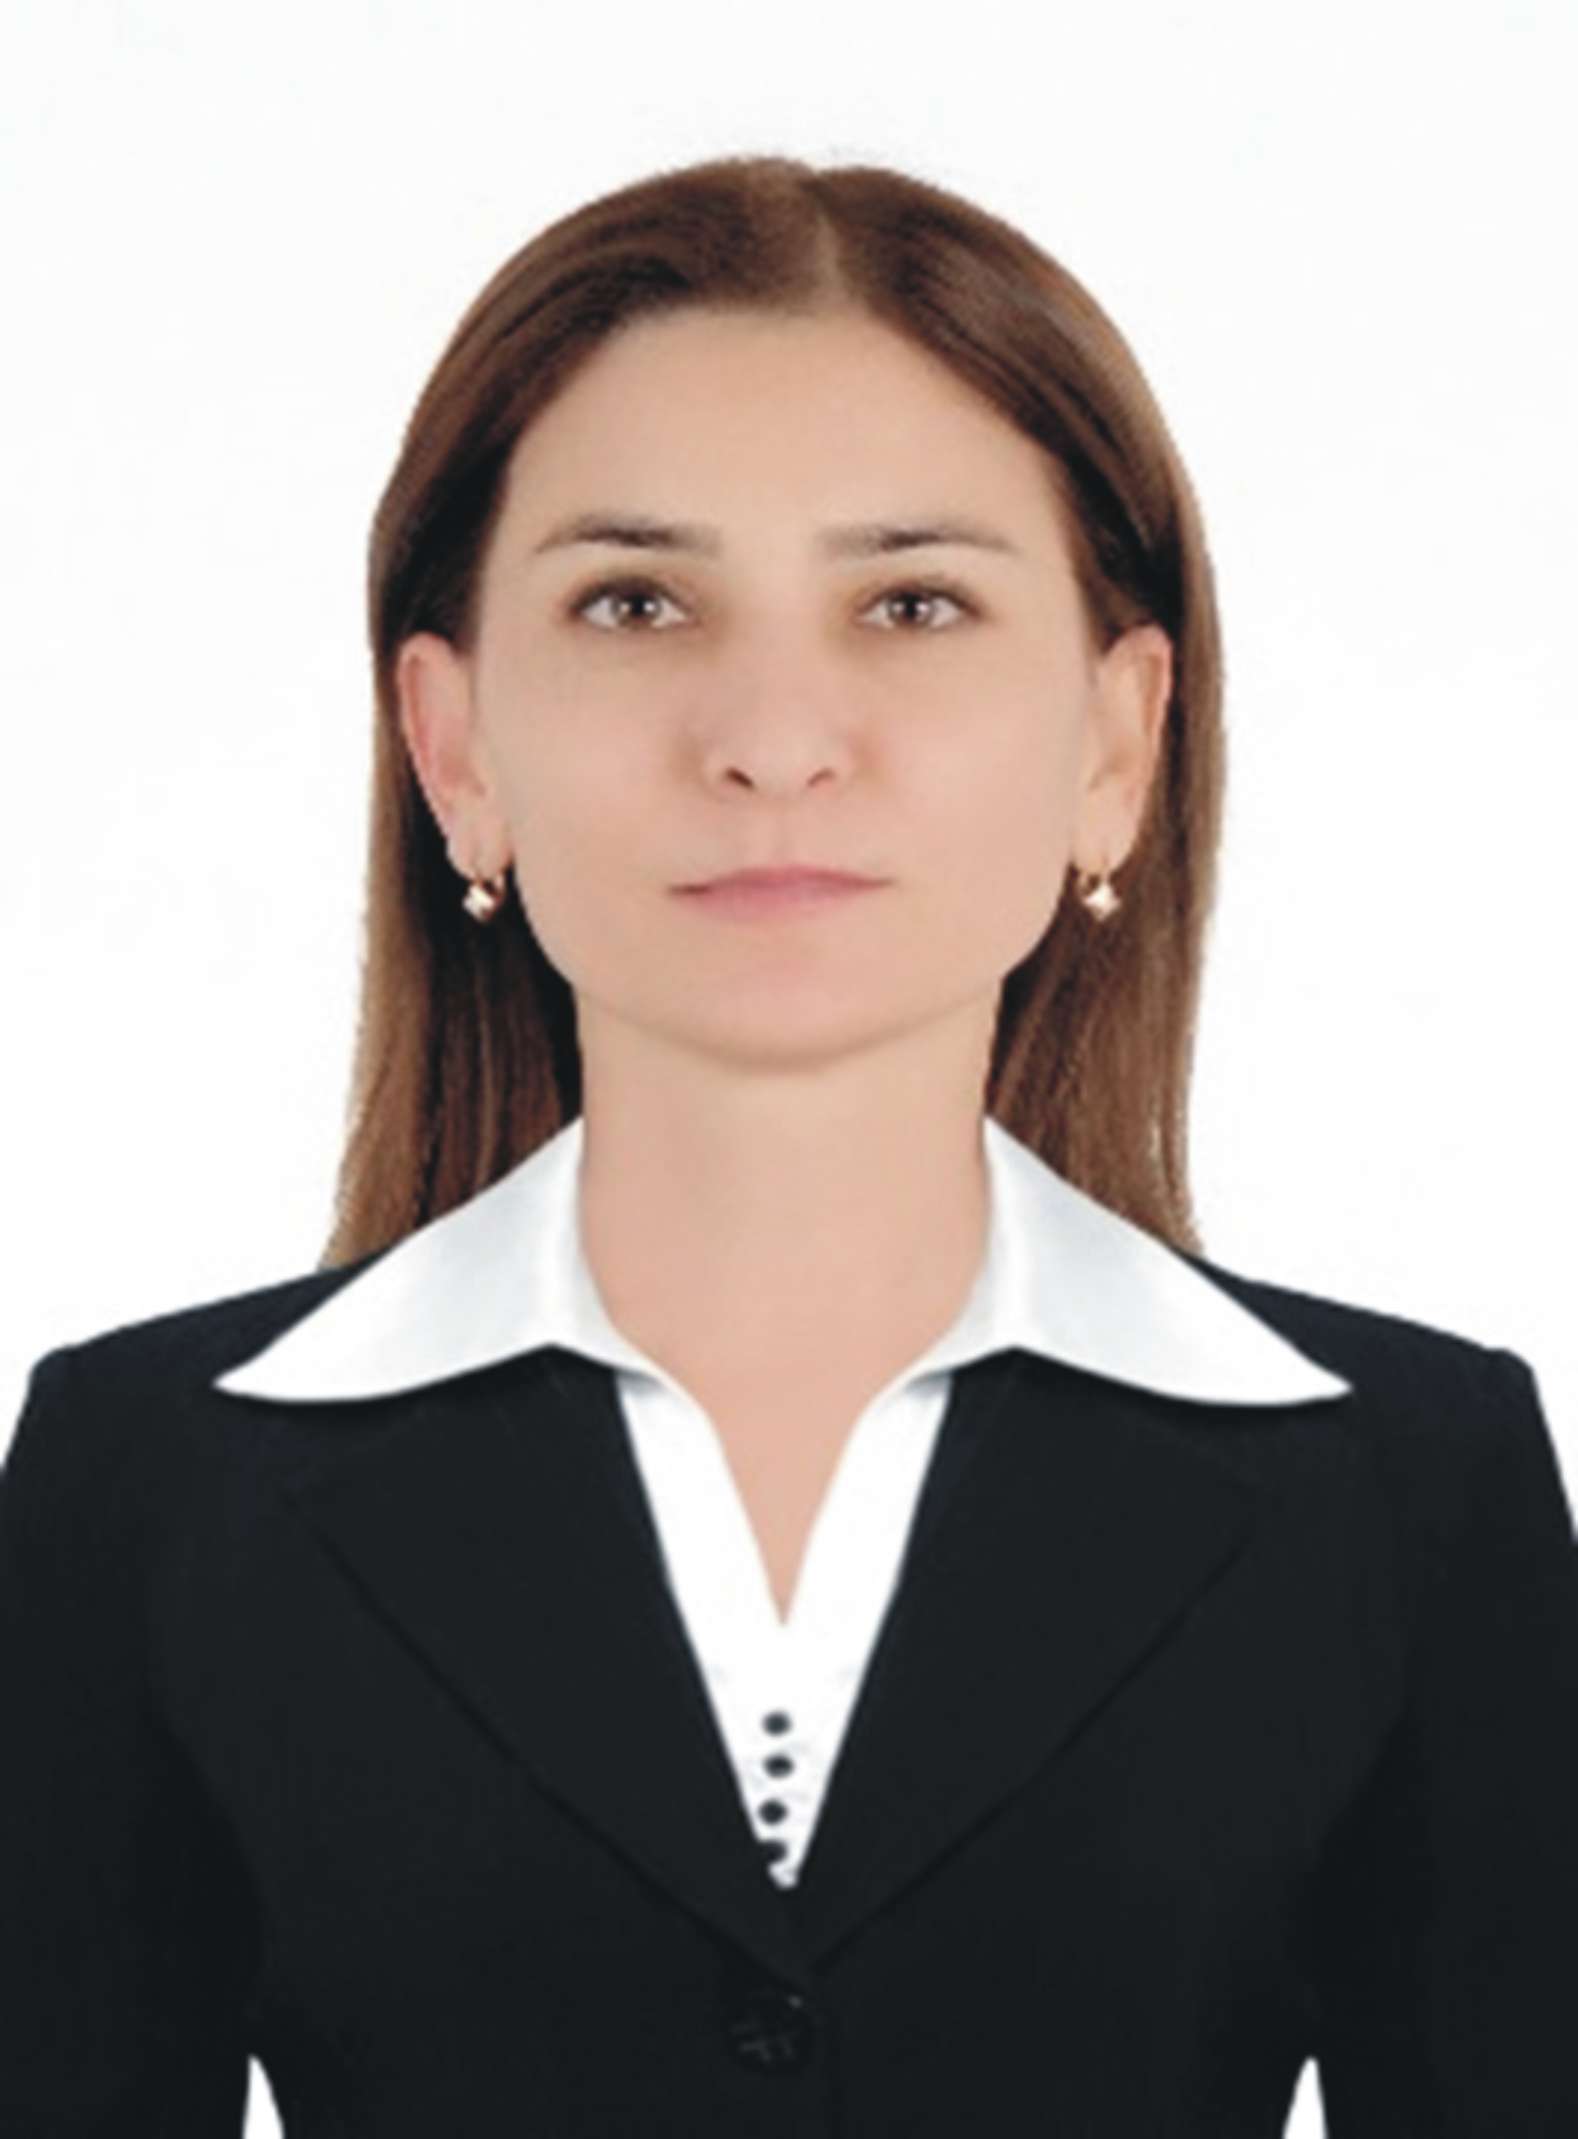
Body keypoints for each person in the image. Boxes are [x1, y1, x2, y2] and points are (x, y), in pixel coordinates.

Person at [2, 151, 1575, 2138]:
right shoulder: (148, 1481)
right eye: (636, 600)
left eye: (911, 602)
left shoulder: (1411, 1486)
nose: (770, 734)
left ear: (1115, 741)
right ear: (454, 745)